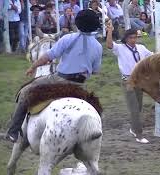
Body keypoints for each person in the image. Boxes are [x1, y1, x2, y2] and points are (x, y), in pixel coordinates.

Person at [6, 9, 103, 143]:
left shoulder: (68, 38)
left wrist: (33, 67)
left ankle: (13, 131)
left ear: (78, 23)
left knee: (25, 91)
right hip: (80, 85)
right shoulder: (98, 46)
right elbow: (96, 71)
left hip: (59, 79)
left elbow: (47, 57)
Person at [106, 21, 153, 144]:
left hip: (140, 80)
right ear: (126, 39)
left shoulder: (141, 48)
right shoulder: (120, 48)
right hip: (128, 80)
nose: (133, 40)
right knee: (134, 109)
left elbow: (152, 57)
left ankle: (133, 128)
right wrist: (110, 31)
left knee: (139, 106)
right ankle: (139, 134)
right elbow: (110, 45)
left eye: (135, 37)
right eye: (131, 38)